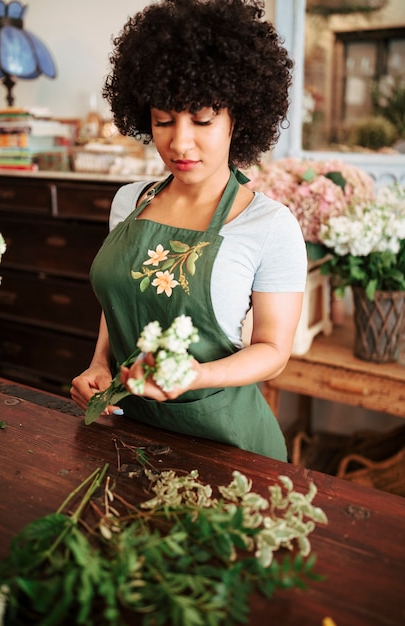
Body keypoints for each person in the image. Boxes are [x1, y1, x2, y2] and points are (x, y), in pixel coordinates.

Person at [70, 0, 307, 461]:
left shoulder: (269, 226)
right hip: (129, 434)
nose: (179, 142)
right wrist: (100, 364)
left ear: (238, 117)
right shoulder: (130, 202)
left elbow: (274, 350)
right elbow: (120, 297)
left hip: (228, 446)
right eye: (163, 121)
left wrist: (192, 375)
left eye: (202, 120)